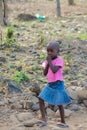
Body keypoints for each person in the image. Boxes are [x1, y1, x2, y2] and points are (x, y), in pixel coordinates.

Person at [37, 41, 71, 128]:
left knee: (59, 103)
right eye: (48, 51)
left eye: (52, 51)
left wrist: (49, 62)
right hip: (50, 84)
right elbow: (45, 73)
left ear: (58, 51)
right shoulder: (47, 61)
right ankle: (44, 118)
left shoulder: (60, 60)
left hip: (58, 84)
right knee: (41, 98)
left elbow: (54, 70)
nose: (49, 53)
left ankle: (63, 121)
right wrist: (47, 63)